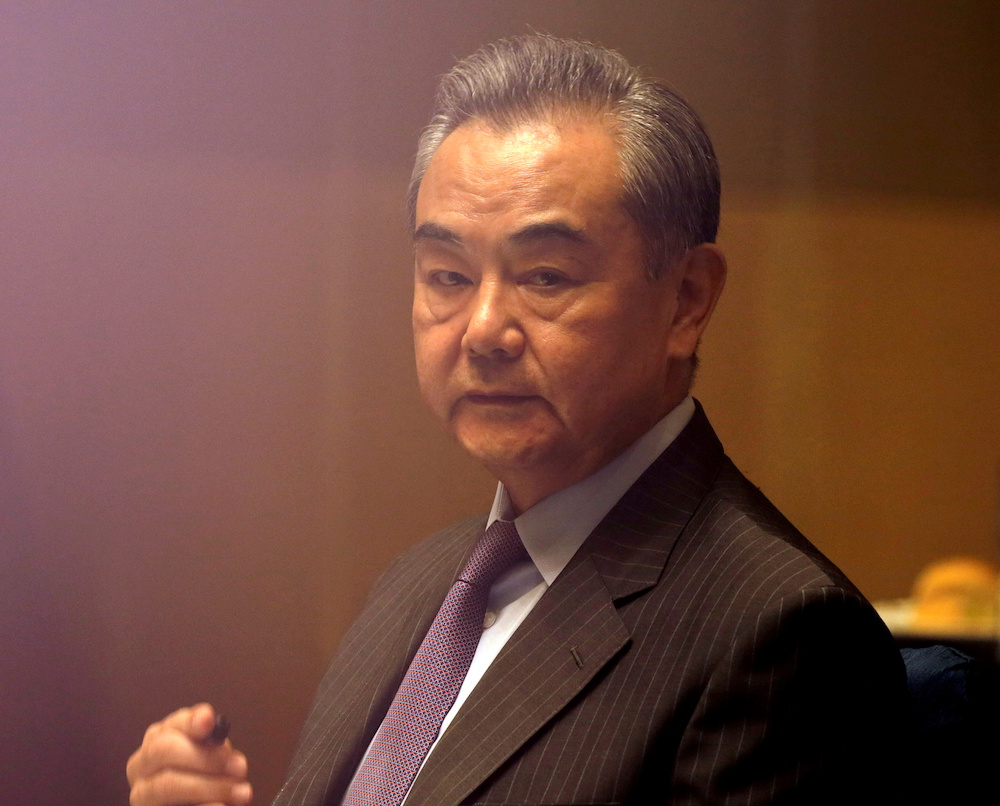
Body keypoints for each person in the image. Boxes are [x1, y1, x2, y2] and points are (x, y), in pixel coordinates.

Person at [127, 35, 909, 806]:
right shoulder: (424, 582)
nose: (482, 329)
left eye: (544, 276)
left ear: (687, 300)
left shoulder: (779, 633)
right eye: (448, 276)